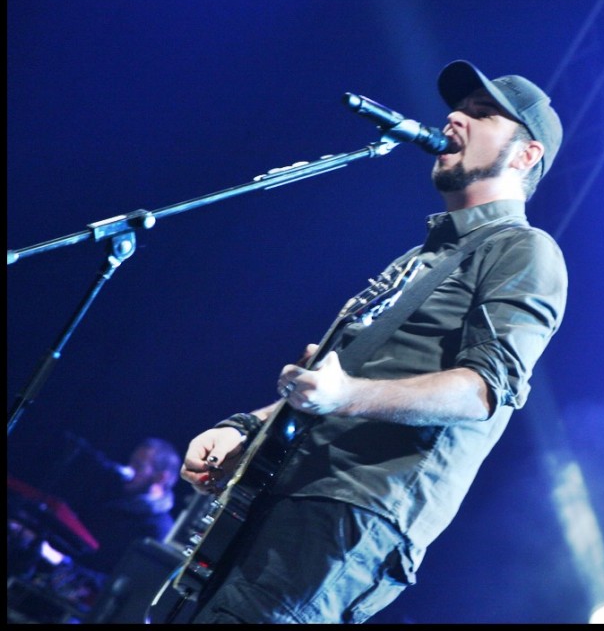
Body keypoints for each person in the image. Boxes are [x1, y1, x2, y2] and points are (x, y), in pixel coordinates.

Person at [178, 59, 568, 624]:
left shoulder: (526, 251)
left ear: (526, 155)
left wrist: (344, 396)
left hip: (352, 510)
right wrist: (243, 428)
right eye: (458, 109)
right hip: (281, 492)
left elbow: (485, 390)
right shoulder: (418, 259)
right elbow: (333, 384)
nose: (455, 118)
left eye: (483, 114)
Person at [70, 436, 182, 575]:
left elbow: (125, 580)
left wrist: (65, 564)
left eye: (138, 466)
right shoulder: (117, 501)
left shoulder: (159, 529)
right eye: (131, 462)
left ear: (160, 478)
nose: (128, 469)